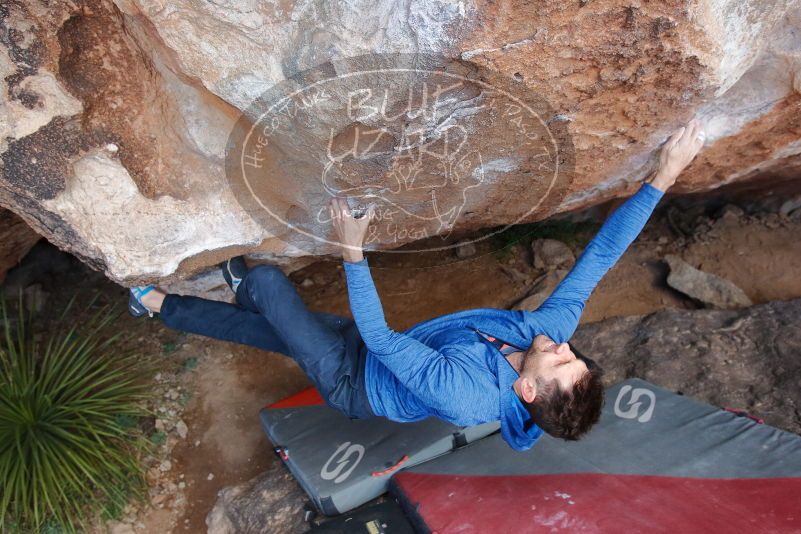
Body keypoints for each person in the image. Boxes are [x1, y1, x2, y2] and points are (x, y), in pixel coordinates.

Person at [129, 120, 705, 450]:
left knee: (271, 287)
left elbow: (379, 340)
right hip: (380, 351)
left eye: (561, 362)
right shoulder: (543, 334)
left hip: (354, 378)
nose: (563, 345)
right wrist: (665, 175)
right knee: (268, 331)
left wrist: (351, 249)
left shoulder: (467, 396)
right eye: (573, 354)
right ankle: (164, 308)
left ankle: (242, 285)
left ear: (527, 392)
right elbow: (601, 257)